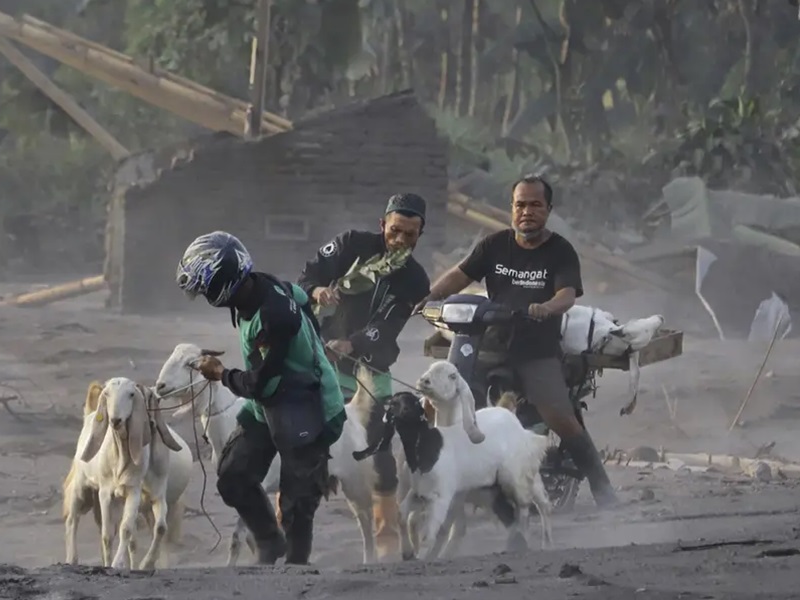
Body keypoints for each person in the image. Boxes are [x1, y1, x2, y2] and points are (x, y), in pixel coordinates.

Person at [414, 174, 619, 508]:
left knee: (557, 414)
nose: (527, 211)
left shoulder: (560, 251)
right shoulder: (494, 245)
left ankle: (603, 490)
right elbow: (459, 274)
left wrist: (547, 307)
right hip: (488, 342)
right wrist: (430, 296)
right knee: (438, 397)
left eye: (535, 205)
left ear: (548, 209)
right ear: (511, 208)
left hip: (536, 346)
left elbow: (566, 295)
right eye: (520, 204)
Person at [178, 231, 347, 565]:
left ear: (222, 283)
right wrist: (313, 340)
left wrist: (220, 374)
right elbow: (301, 297)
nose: (204, 295)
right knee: (233, 476)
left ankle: (296, 572)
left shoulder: (273, 317)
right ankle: (270, 542)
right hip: (271, 404)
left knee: (297, 503)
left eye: (205, 288)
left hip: (310, 407)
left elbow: (258, 384)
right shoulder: (268, 285)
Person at [296, 192, 430, 560]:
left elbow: (388, 327)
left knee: (379, 452)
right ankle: (284, 534)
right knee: (299, 442)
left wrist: (352, 343)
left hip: (371, 369)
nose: (400, 241)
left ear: (421, 234)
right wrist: (317, 291)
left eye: (410, 235)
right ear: (382, 225)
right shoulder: (350, 245)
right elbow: (306, 276)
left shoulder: (417, 280)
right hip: (323, 363)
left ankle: (388, 542)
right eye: (395, 231)